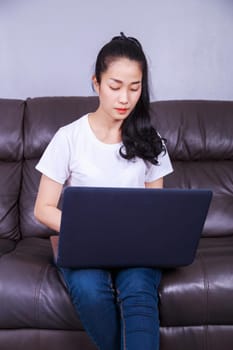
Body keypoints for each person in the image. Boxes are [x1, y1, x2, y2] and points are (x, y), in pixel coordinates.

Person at [34, 32, 173, 350]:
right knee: (89, 289)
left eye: (134, 88)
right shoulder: (69, 137)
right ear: (96, 83)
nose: (125, 98)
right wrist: (89, 232)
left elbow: (159, 209)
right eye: (115, 86)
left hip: (137, 245)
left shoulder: (152, 141)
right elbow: (43, 208)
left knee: (138, 287)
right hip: (84, 245)